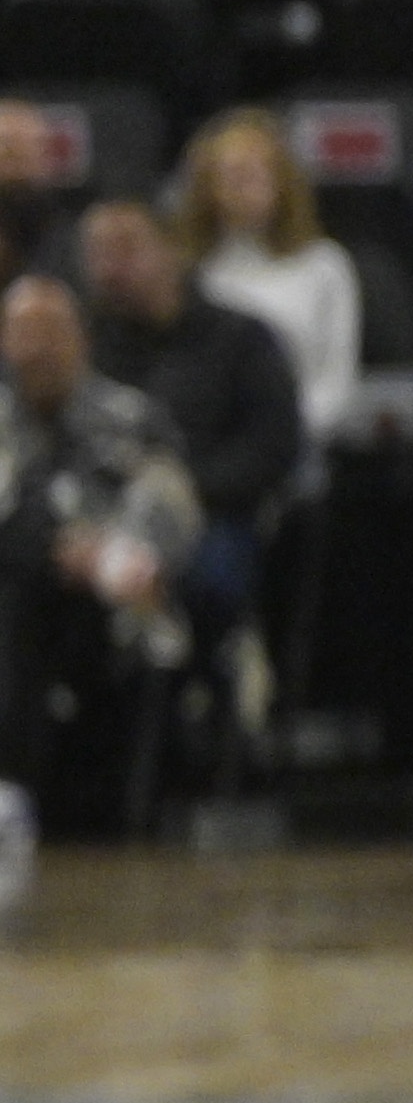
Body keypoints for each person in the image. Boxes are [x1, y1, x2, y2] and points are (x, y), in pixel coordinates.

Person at [0, 270, 199, 831]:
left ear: (82, 339)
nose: (39, 350)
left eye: (53, 332)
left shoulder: (130, 416)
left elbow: (171, 504)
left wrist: (116, 554)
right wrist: (56, 550)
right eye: (25, 333)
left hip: (117, 592)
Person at [75, 198, 296, 658]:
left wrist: (180, 490)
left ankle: (217, 681)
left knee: (206, 580)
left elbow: (272, 448)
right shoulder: (82, 347)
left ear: (171, 249)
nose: (110, 268)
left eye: (126, 249)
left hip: (210, 514)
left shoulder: (241, 338)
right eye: (98, 253)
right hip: (102, 515)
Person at [168, 111, 363, 454]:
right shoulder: (185, 272)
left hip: (300, 447)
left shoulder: (325, 267)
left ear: (283, 182)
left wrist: (278, 439)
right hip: (204, 450)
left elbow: (336, 382)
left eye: (256, 173)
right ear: (206, 188)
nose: (244, 186)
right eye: (231, 175)